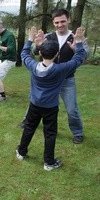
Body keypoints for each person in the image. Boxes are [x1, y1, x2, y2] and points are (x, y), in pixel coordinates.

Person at [16, 26, 86, 171]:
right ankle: (49, 162)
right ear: (58, 54)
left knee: (29, 128)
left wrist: (30, 40)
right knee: (50, 133)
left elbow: (24, 54)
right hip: (50, 108)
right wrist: (78, 43)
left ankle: (21, 152)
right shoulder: (61, 69)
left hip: (34, 105)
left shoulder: (33, 66)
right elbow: (79, 58)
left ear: (40, 53)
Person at [24, 9, 88, 144]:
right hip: (48, 78)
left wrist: (76, 49)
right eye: (57, 22)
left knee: (71, 109)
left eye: (63, 21)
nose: (60, 25)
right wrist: (38, 45)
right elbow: (37, 53)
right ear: (53, 23)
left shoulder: (76, 37)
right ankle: (27, 121)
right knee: (36, 100)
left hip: (66, 79)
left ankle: (77, 132)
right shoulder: (49, 36)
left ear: (69, 20)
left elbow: (84, 56)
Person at [0, 21, 17, 101]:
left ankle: (2, 96)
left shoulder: (9, 35)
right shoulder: (2, 35)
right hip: (3, 59)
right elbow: (1, 47)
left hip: (9, 59)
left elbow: (11, 49)